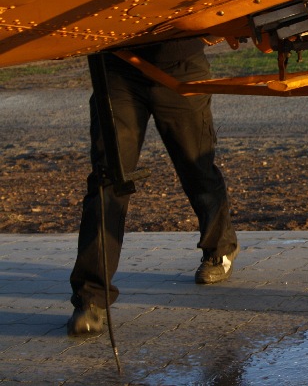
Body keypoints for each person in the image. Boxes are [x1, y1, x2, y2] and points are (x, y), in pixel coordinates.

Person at [67, 38, 239, 336]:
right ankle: (90, 299)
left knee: (196, 168)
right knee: (109, 180)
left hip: (180, 64)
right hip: (115, 69)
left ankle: (218, 248)